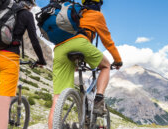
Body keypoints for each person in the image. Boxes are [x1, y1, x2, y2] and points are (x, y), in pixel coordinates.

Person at [48, 0, 123, 128]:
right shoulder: (97, 15)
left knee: (57, 97)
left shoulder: (75, 13)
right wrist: (117, 60)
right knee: (105, 66)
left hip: (59, 49)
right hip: (80, 44)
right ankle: (99, 99)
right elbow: (108, 41)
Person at [0, 0, 46, 128]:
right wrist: (41, 60)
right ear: (30, 5)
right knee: (4, 103)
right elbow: (34, 40)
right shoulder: (26, 14)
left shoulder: (4, 7)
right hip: (9, 59)